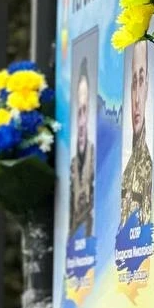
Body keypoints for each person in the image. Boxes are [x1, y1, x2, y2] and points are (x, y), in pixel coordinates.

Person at [120, 40, 153, 227]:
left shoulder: (150, 170)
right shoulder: (126, 173)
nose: (137, 99)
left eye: (141, 81)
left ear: (147, 86)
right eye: (134, 83)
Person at [69, 59, 95, 237]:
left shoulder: (95, 159)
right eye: (79, 111)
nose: (81, 120)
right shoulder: (72, 166)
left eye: (84, 110)